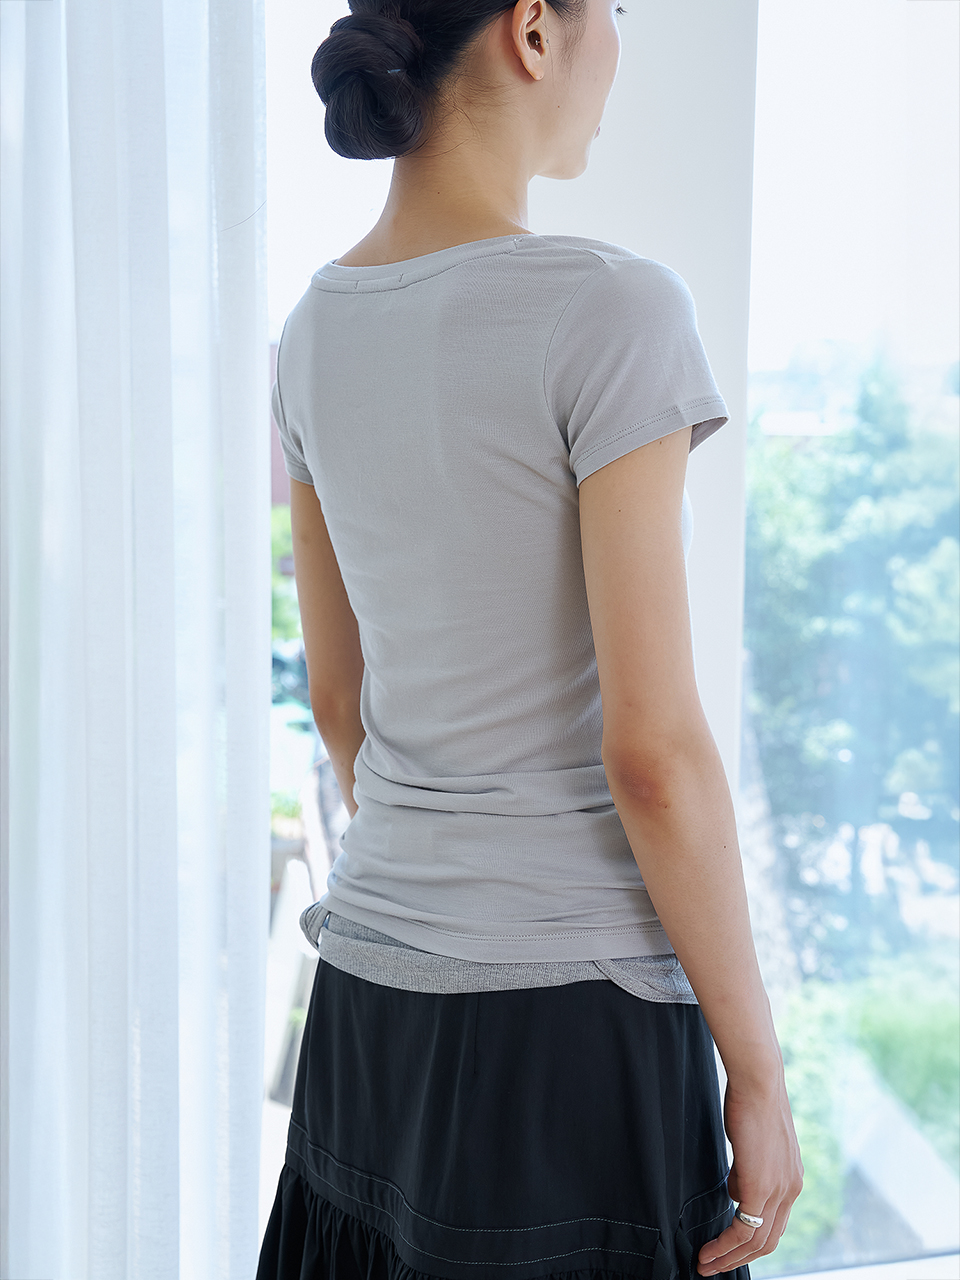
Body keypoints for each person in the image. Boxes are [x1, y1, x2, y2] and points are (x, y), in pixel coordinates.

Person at [257, 0, 804, 1276]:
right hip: (568, 1025)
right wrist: (760, 1068)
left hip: (367, 1003)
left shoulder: (315, 328)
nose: (622, 41)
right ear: (535, 32)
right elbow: (653, 751)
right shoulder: (611, 309)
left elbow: (340, 698)